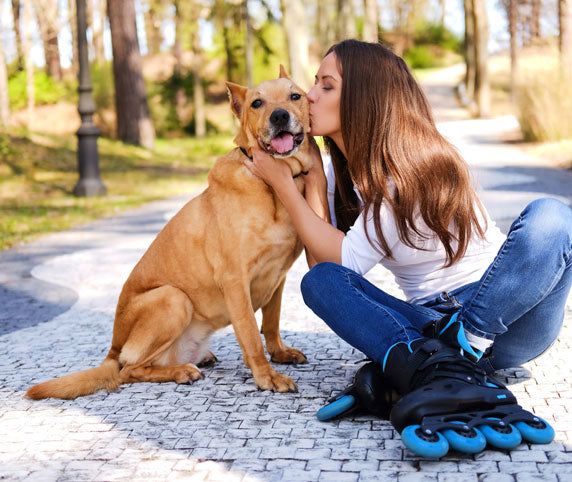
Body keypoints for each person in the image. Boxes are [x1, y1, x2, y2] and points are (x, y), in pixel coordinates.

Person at [244, 39, 569, 455]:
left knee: (552, 217)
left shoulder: (410, 166)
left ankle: (453, 352)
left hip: (508, 312)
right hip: (430, 321)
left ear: (364, 97)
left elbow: (348, 258)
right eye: (314, 84)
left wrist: (284, 186)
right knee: (320, 282)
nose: (309, 96)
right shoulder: (342, 174)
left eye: (326, 85)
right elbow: (328, 266)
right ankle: (445, 362)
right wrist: (315, 182)